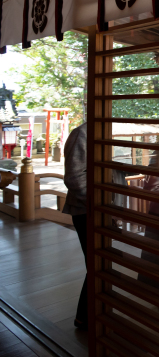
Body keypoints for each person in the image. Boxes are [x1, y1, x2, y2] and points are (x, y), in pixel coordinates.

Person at [62, 123, 89, 331]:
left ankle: (89, 316)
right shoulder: (82, 133)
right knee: (98, 264)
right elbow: (74, 177)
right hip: (87, 209)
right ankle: (85, 318)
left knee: (100, 263)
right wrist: (96, 202)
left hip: (104, 206)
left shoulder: (105, 131)